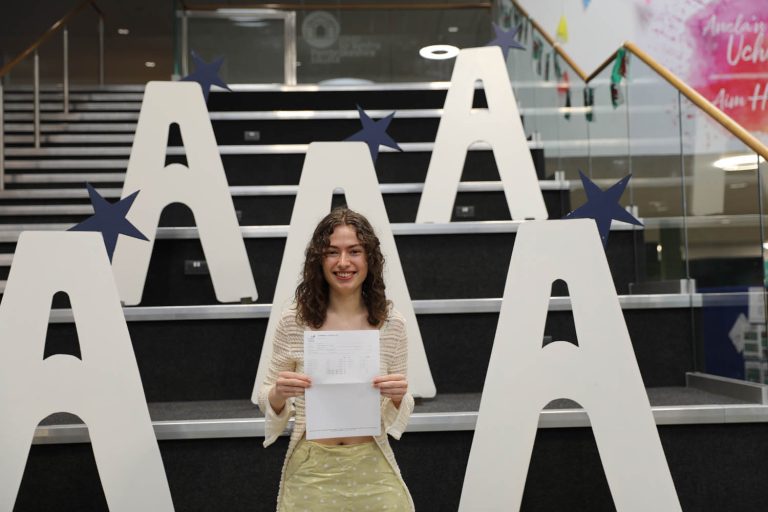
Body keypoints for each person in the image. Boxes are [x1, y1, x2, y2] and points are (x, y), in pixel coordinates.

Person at [257, 207, 415, 512]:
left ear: (370, 258)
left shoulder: (392, 323)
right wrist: (278, 394)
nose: (343, 263)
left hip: (372, 463)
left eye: (354, 251)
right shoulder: (294, 321)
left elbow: (401, 406)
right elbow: (266, 396)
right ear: (319, 260)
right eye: (332, 252)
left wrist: (398, 397)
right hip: (312, 467)